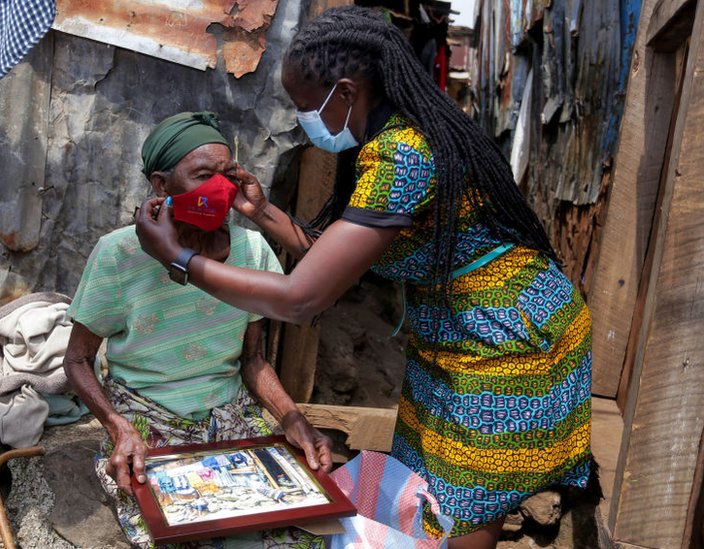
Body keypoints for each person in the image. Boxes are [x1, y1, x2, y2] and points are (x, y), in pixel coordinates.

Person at [135, 7, 592, 549]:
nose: (303, 120)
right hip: (456, 333)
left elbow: (303, 299)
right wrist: (261, 211)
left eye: (306, 107)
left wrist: (180, 259)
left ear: (346, 92)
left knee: (464, 503)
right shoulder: (384, 139)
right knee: (426, 487)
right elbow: (336, 256)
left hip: (508, 341)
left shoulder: (403, 154)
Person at [64, 111, 333, 549]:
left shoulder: (251, 249)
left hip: (230, 414)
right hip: (149, 417)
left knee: (293, 534)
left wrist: (292, 418)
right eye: (203, 175)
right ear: (161, 185)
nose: (219, 188)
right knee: (176, 533)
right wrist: (118, 427)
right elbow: (76, 360)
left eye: (227, 175)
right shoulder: (119, 254)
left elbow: (253, 360)